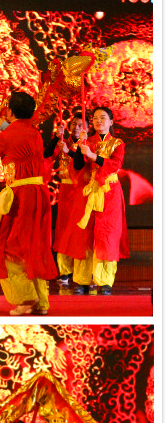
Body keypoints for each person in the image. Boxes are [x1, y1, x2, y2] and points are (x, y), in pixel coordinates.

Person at [0, 91, 58, 315]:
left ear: (9, 111)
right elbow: (8, 129)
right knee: (34, 245)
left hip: (21, 196)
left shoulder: (7, 136)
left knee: (7, 246)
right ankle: (41, 301)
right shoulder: (33, 131)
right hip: (39, 193)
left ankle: (25, 298)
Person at [58, 107, 128, 295]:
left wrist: (93, 156)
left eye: (103, 118)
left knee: (107, 236)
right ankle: (82, 280)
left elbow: (115, 164)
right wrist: (79, 149)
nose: (98, 121)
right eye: (95, 118)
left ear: (111, 122)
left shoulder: (117, 143)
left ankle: (104, 281)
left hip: (109, 194)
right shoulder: (86, 141)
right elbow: (78, 166)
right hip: (88, 192)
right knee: (84, 236)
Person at [43, 114, 88, 285]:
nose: (76, 127)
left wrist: (69, 151)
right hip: (66, 189)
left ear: (87, 128)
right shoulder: (63, 141)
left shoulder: (88, 144)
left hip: (82, 190)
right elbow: (47, 155)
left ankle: (83, 270)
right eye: (74, 124)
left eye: (80, 125)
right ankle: (65, 270)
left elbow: (84, 163)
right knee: (63, 228)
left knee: (80, 229)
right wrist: (56, 137)